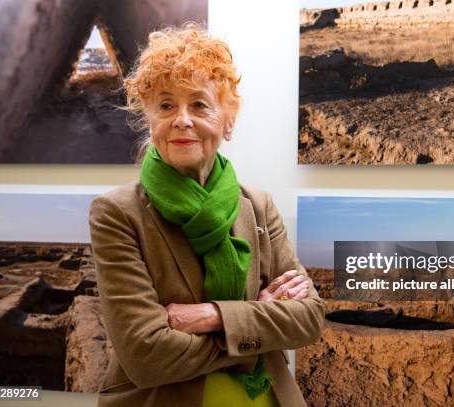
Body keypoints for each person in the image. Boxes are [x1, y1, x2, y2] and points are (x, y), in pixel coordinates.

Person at [88, 24, 324, 407]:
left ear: (228, 122)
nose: (182, 119)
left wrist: (212, 316)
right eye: (166, 105)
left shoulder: (258, 205)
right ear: (150, 119)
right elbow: (146, 356)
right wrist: (256, 326)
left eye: (199, 104)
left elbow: (309, 317)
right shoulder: (117, 213)